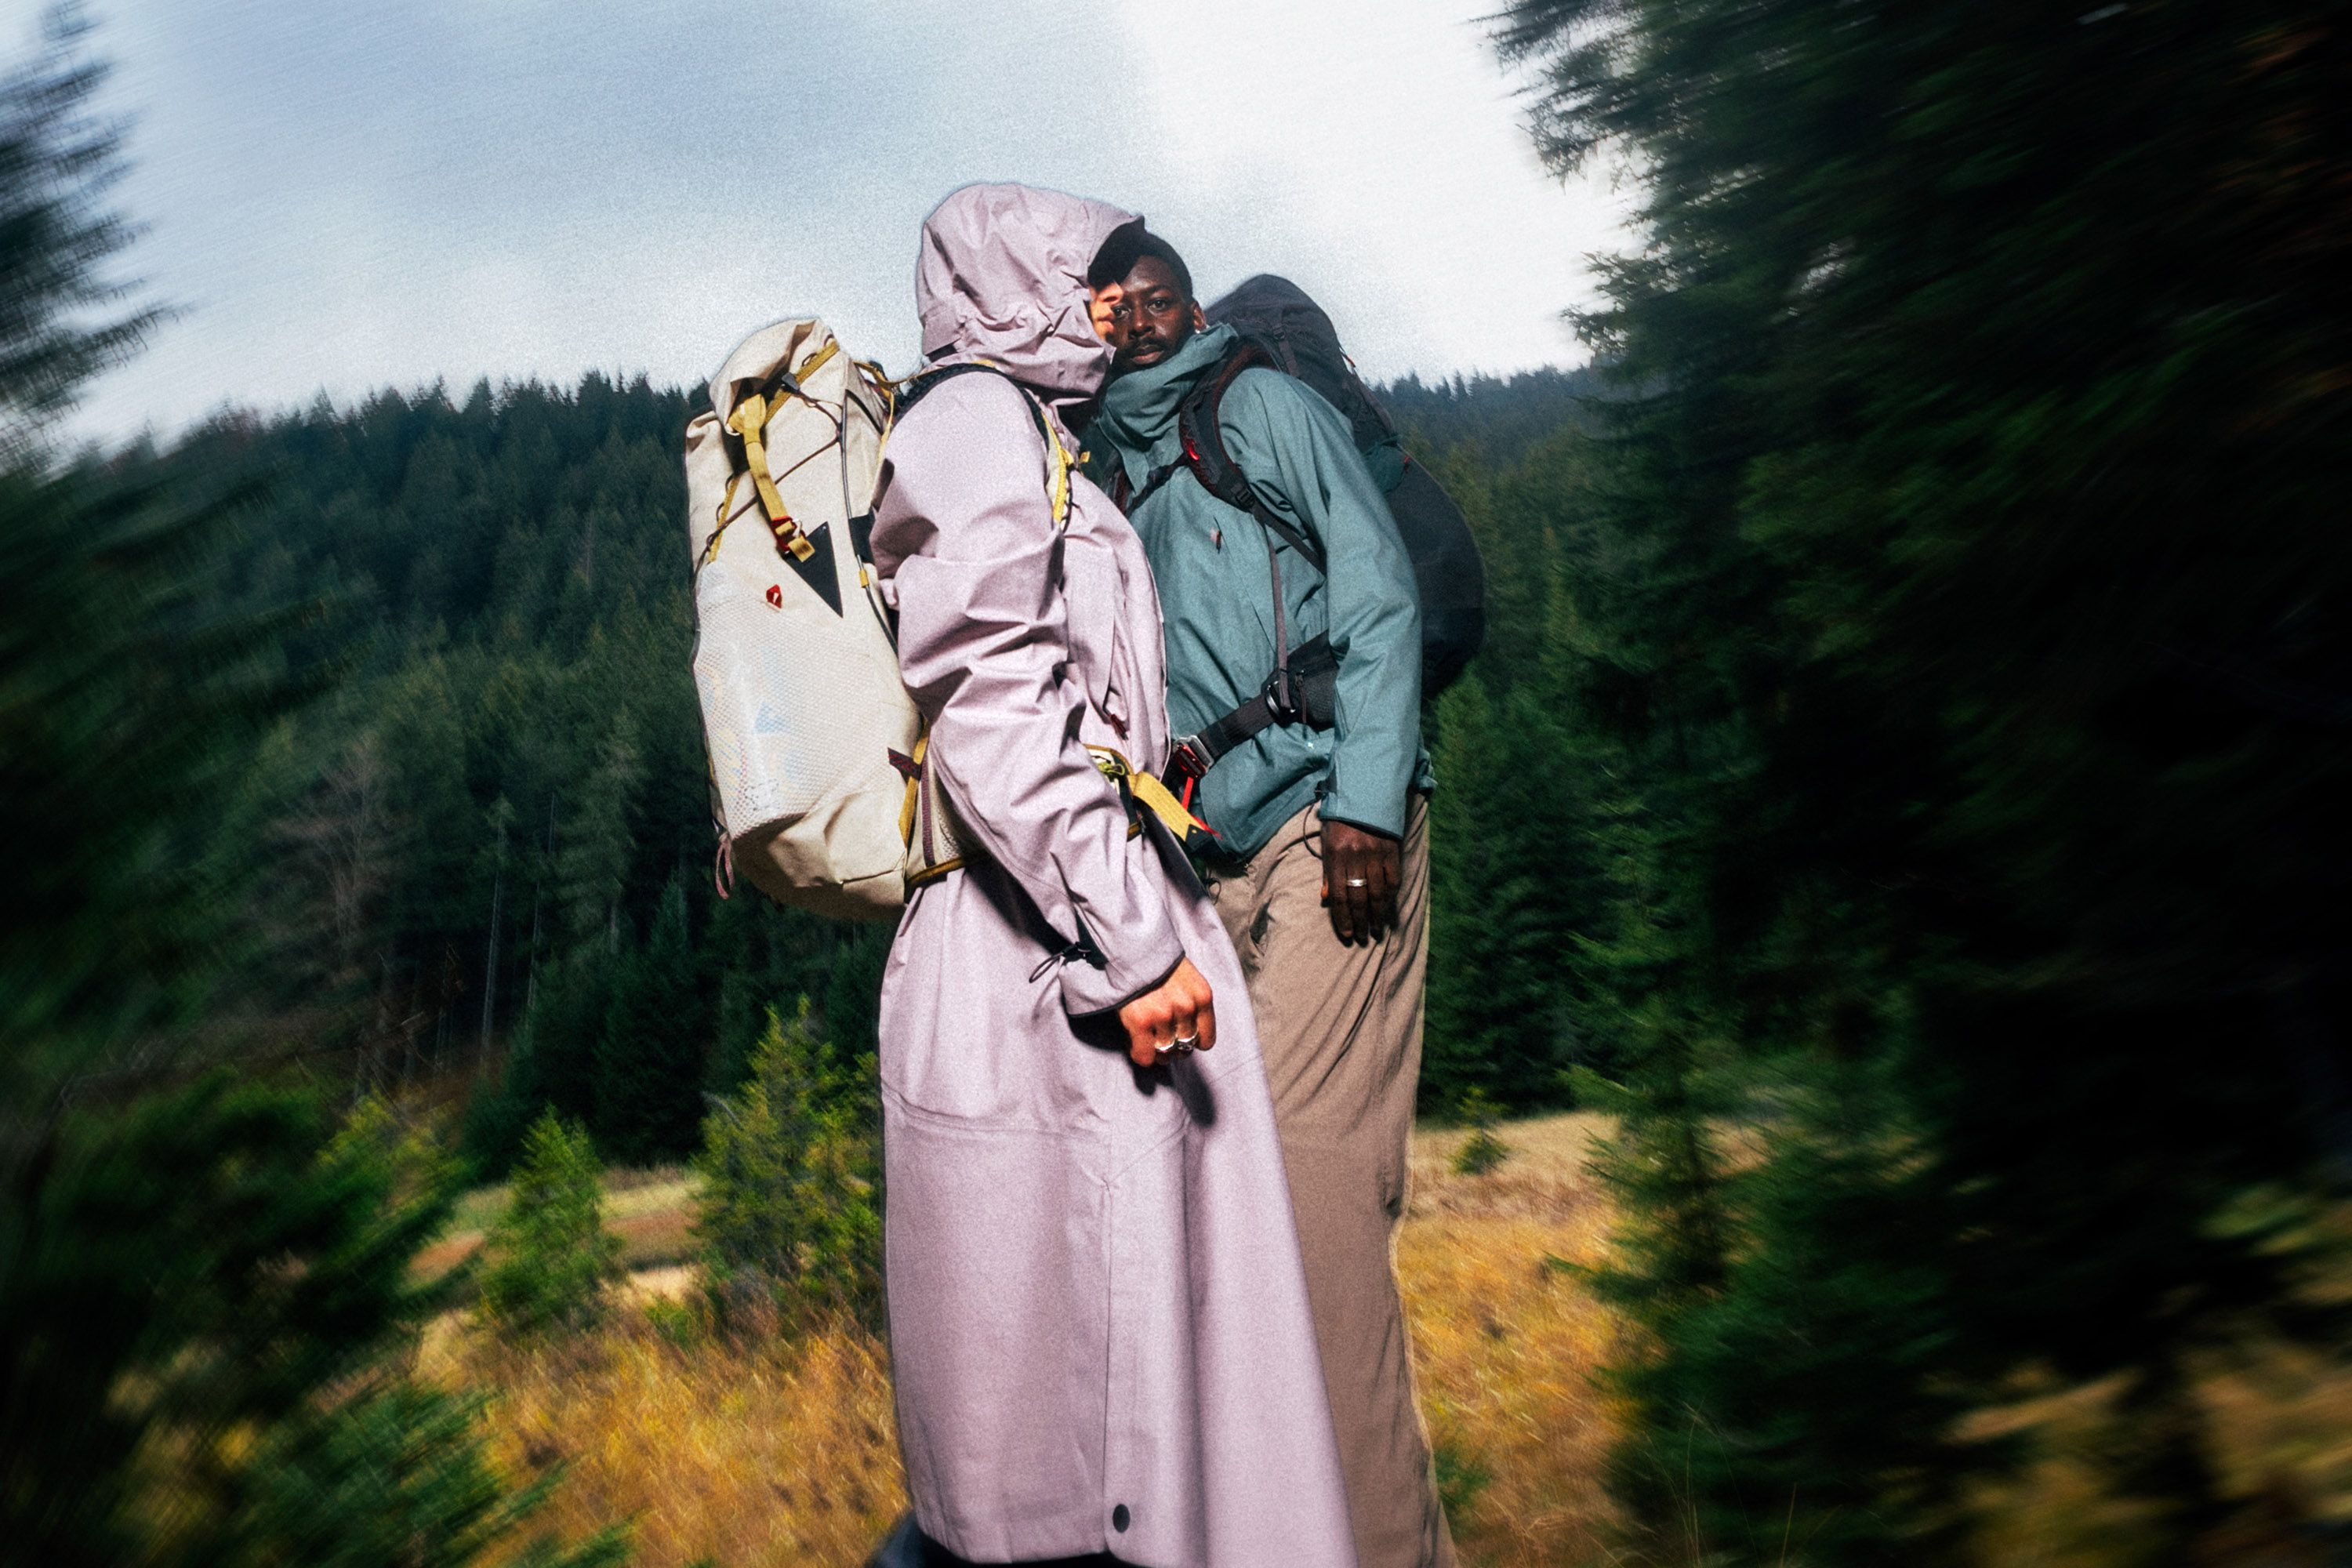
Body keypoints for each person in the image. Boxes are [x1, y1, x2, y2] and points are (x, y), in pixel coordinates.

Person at [864, 183, 1356, 1568]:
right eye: (1074, 281)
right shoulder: (970, 426)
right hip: (1038, 954)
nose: (1102, 308)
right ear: (1006, 287)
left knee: (1127, 1409)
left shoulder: (1026, 430)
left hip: (1073, 923)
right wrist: (1137, 947)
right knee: (1067, 1443)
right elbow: (994, 702)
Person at [1084, 227, 1453, 1568]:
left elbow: (1379, 589)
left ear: (1186, 302)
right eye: (1106, 301)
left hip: (1327, 830)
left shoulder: (1261, 405)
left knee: (1304, 1205)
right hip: (1205, 865)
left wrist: (1366, 801)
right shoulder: (1099, 463)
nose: (1130, 319)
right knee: (1206, 1212)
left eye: (1153, 297)